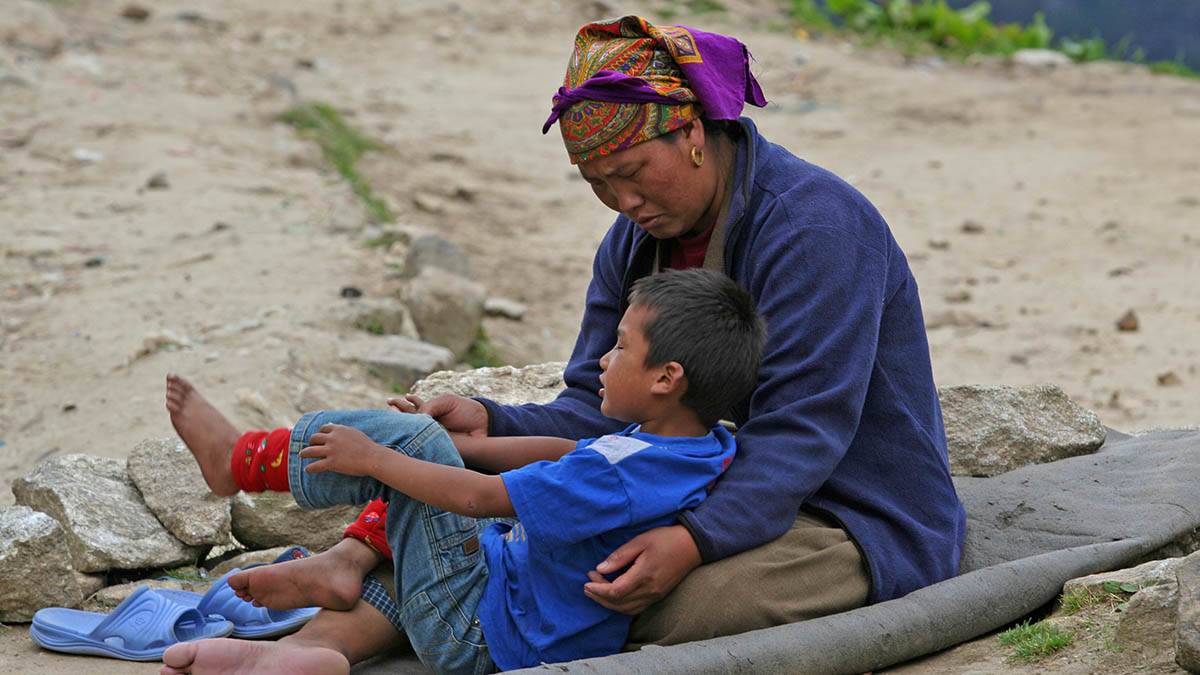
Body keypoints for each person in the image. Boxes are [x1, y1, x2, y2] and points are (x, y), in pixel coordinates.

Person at [162, 13, 966, 674]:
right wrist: (491, 420)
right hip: (680, 478)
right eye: (597, 183)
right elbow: (593, 405)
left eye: (633, 171)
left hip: (839, 508)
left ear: (692, 132)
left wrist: (694, 540)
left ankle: (375, 593)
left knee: (660, 595)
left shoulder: (815, 229)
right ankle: (315, 648)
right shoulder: (635, 241)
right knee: (520, 539)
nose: (622, 200)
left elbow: (801, 433)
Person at [161, 269, 766, 674]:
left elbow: (478, 500)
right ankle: (293, 657)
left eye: (621, 347)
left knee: (414, 447)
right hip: (502, 608)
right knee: (431, 468)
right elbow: (564, 453)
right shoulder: (692, 444)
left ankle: (240, 461)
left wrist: (381, 457)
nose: (603, 360)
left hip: (475, 633)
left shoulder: (618, 478)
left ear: (666, 378)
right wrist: (466, 445)